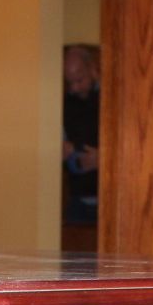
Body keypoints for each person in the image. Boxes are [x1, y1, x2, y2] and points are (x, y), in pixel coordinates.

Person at [62, 44, 100, 226]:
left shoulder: (114, 99)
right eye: (70, 83)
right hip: (78, 201)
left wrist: (104, 160)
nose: (75, 88)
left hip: (110, 200)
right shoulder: (64, 103)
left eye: (79, 80)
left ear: (92, 69)